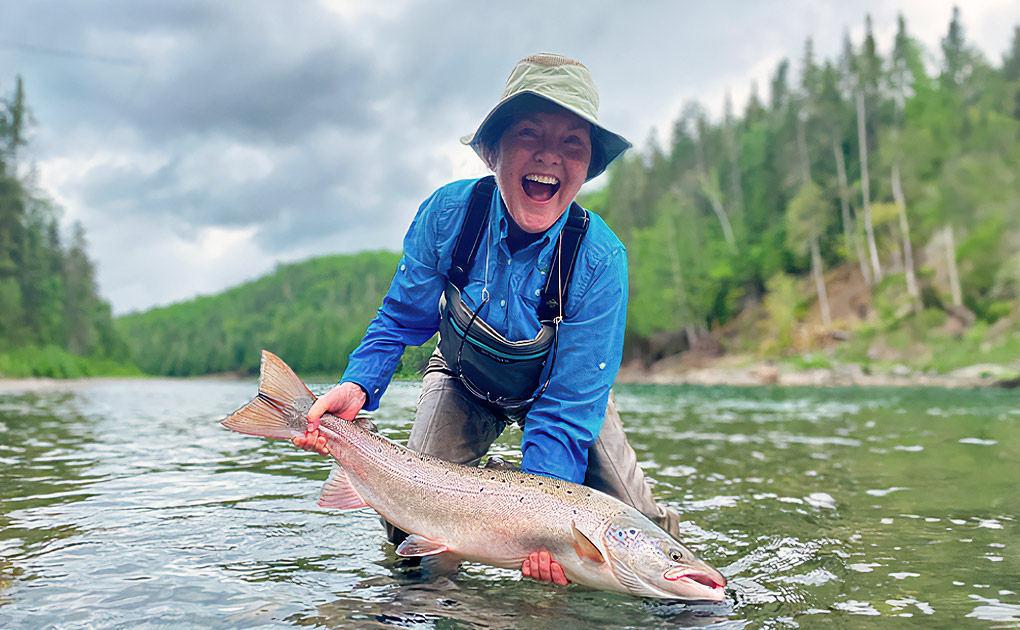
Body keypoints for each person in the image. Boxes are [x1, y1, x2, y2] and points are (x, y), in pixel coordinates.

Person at [295, 53, 682, 586]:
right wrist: (358, 386)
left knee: (642, 532)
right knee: (406, 529)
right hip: (461, 377)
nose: (550, 155)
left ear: (587, 167)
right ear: (493, 151)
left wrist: (544, 534)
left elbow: (567, 411)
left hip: (565, 392)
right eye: (529, 132)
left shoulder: (600, 261)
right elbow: (399, 320)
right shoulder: (448, 214)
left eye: (573, 141)